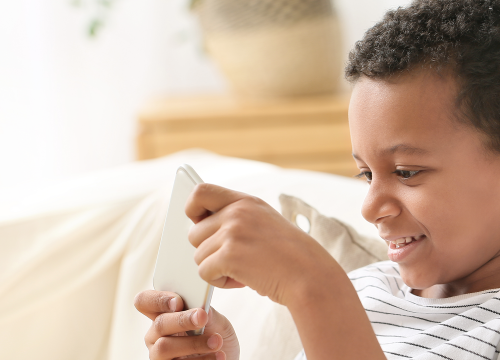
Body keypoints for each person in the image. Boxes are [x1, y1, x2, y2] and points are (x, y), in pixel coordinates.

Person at [134, 0, 500, 358]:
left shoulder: (331, 292)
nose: (370, 207)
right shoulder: (366, 287)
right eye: (366, 174)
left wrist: (313, 286)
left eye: (406, 172)